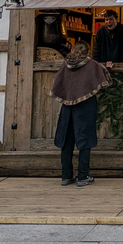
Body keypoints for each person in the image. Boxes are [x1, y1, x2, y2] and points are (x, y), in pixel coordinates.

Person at [51, 41, 111, 187]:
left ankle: (66, 175)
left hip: (67, 106)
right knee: (85, 140)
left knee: (66, 140)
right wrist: (109, 68)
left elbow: (58, 84)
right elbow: (106, 78)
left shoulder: (66, 64)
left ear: (73, 50)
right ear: (88, 52)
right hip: (85, 105)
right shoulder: (92, 65)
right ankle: (83, 176)